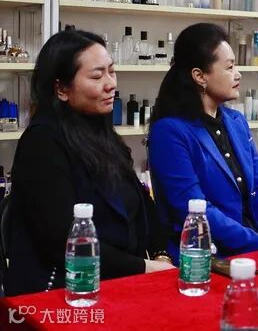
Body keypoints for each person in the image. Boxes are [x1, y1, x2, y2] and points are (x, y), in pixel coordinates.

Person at [3, 30, 173, 296]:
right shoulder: (43, 142)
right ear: (61, 89)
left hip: (119, 282)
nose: (110, 84)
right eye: (96, 76)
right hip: (67, 291)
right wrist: (143, 267)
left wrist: (161, 254)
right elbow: (60, 240)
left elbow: (141, 203)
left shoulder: (101, 133)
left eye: (111, 71)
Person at [148, 23, 258, 260]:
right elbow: (195, 210)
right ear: (199, 76)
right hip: (206, 256)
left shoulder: (237, 121)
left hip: (255, 246)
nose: (238, 74)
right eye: (230, 67)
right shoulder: (170, 132)